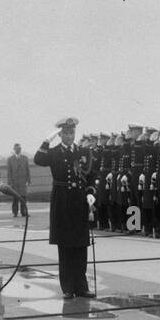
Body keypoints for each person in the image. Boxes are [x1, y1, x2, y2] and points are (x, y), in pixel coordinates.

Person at [34, 118, 91, 298]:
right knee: (65, 246)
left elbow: (91, 174)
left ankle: (81, 287)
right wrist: (47, 140)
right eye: (65, 133)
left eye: (71, 133)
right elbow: (38, 159)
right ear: (60, 135)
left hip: (79, 201)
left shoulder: (83, 152)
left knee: (81, 245)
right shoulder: (53, 152)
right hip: (62, 201)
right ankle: (67, 287)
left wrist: (91, 192)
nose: (69, 136)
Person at [6, 143, 30, 218]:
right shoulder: (10, 159)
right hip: (14, 182)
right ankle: (15, 212)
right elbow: (9, 172)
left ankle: (24, 212)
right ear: (14, 149)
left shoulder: (25, 158)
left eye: (19, 149)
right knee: (15, 198)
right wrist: (10, 182)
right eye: (16, 149)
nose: (18, 150)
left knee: (23, 198)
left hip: (23, 181)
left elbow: (27, 170)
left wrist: (28, 180)